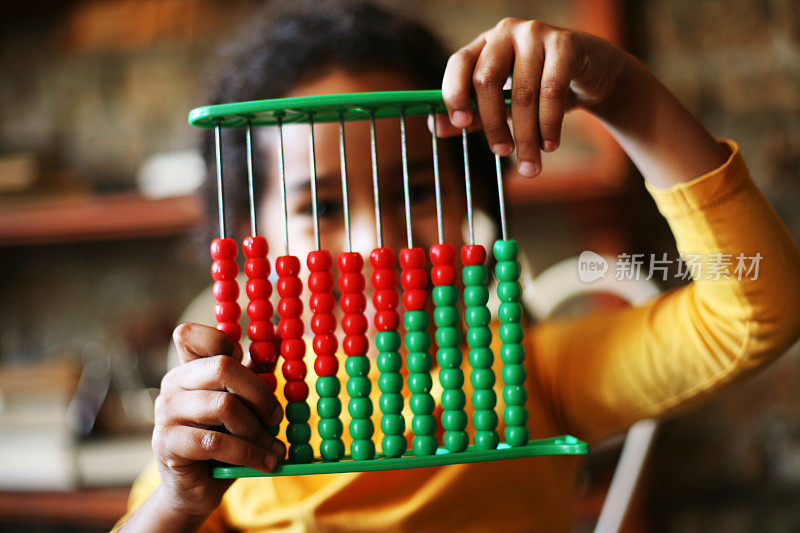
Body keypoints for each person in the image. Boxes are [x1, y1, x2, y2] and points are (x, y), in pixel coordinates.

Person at [114, 2, 800, 531]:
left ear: (473, 191)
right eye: (317, 205)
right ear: (248, 235)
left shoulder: (532, 382)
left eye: (415, 190)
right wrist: (176, 502)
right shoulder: (239, 429)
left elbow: (757, 310)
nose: (376, 240)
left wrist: (627, 97)